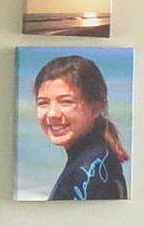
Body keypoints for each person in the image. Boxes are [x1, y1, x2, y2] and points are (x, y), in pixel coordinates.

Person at [32, 54, 129, 200]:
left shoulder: (91, 168)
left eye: (66, 102)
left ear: (96, 108)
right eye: (43, 103)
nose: (52, 114)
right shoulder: (93, 160)